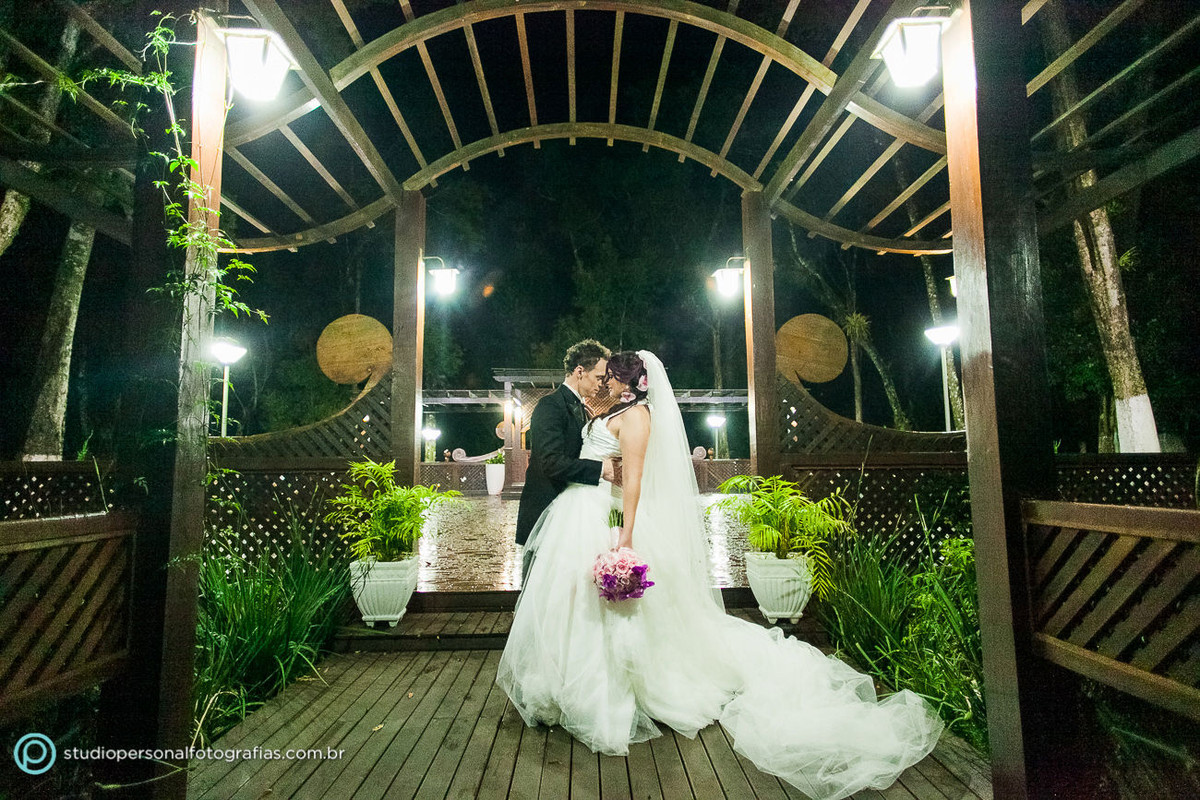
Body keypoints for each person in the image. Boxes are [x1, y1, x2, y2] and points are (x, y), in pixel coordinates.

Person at [497, 350, 944, 800]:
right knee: (571, 604)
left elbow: (633, 480)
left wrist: (627, 538)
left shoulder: (636, 417)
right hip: (577, 514)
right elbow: (569, 459)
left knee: (614, 611)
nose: (602, 382)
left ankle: (615, 687)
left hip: (606, 519)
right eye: (601, 375)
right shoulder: (597, 409)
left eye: (609, 376)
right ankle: (563, 679)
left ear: (628, 384)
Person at [515, 339, 616, 584]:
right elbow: (550, 462)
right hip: (544, 509)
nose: (602, 384)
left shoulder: (581, 408)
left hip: (569, 513)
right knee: (535, 588)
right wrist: (599, 468)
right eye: (599, 377)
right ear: (580, 371)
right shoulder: (550, 405)